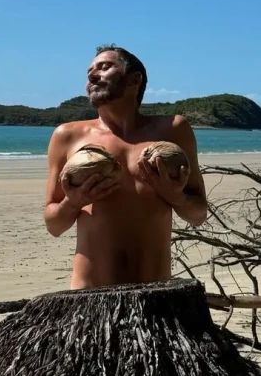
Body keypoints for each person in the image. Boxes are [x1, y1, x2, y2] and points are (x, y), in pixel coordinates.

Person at [44, 46, 208, 289]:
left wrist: (175, 197)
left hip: (155, 295)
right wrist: (74, 202)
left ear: (134, 79)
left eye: (104, 67)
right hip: (90, 295)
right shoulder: (67, 136)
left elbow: (198, 215)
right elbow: (54, 225)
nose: (92, 76)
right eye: (89, 71)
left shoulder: (173, 129)